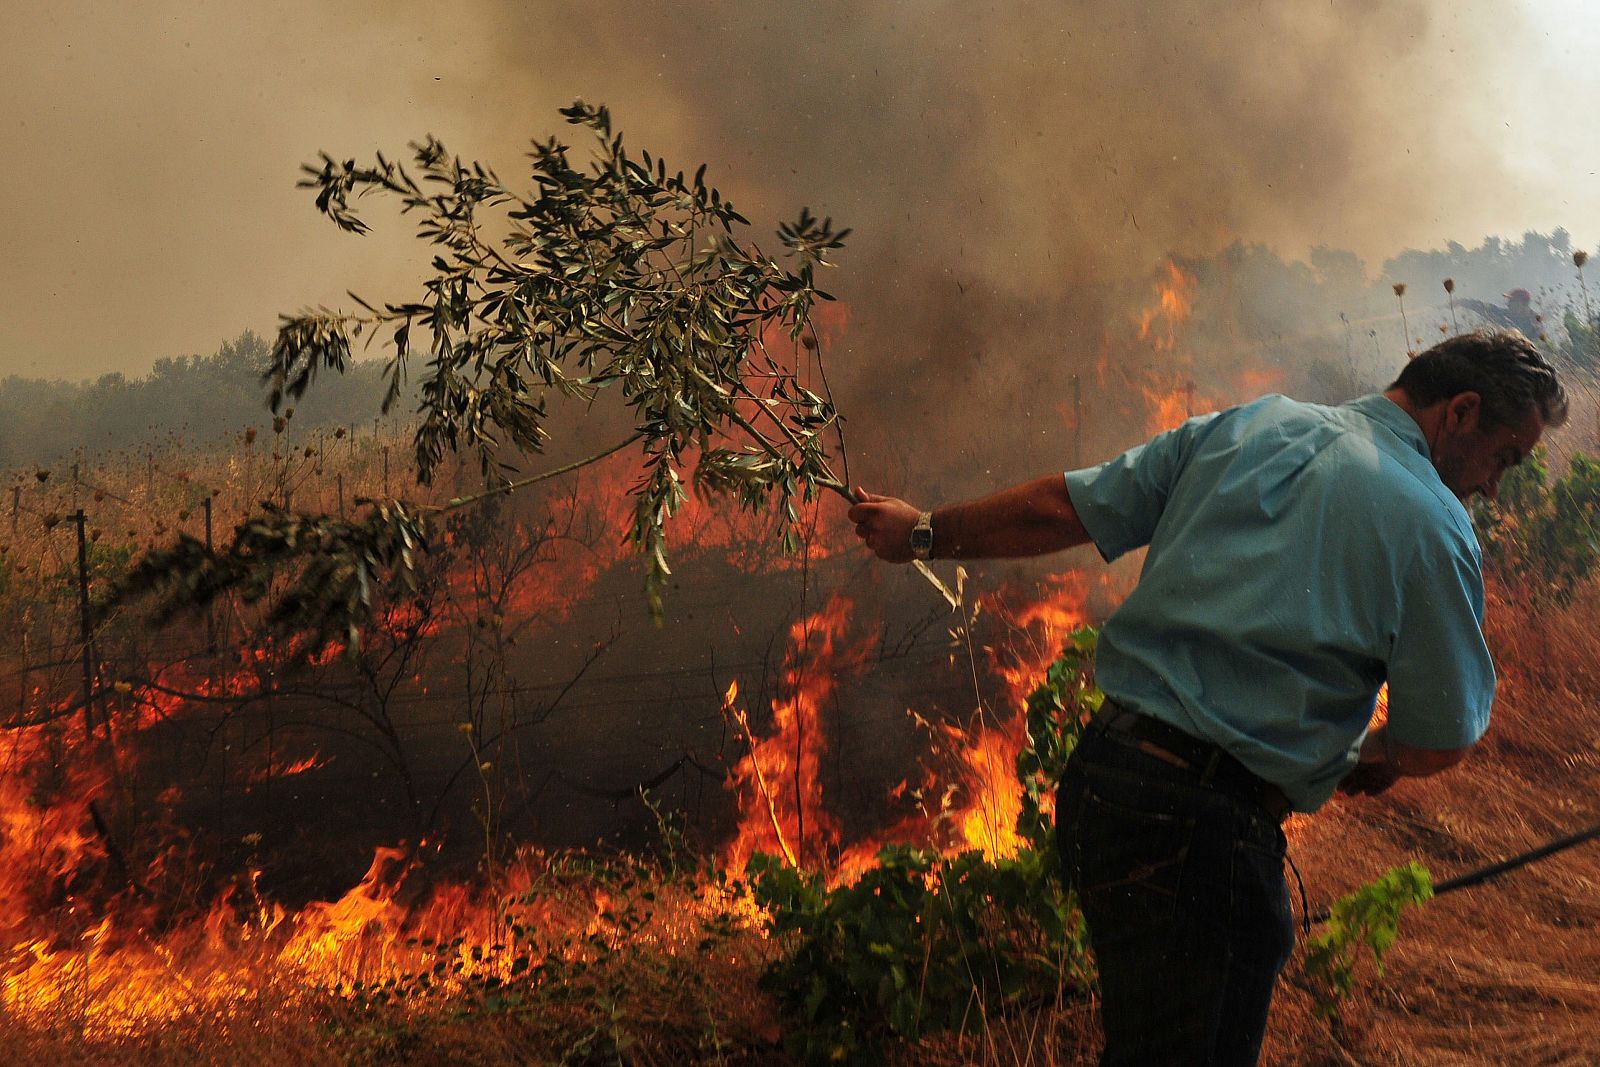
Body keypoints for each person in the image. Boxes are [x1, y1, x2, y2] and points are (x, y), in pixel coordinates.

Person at [847, 329, 1567, 1066]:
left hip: (1103, 783)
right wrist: (1372, 753)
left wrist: (923, 532)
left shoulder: (1249, 424)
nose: (1492, 486)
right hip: (1205, 831)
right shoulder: (1434, 525)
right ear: (1461, 411)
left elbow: (1062, 508)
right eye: (1504, 459)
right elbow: (1438, 738)